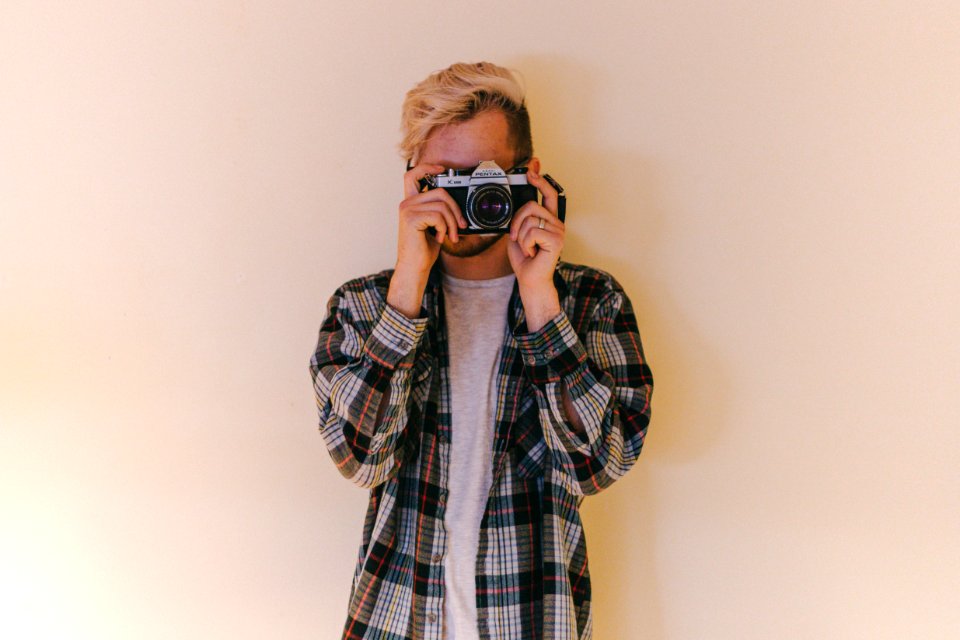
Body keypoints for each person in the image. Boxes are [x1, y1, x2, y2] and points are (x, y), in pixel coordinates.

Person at [309, 61, 653, 640]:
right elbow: (360, 459)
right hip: (395, 621)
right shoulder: (362, 306)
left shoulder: (591, 301)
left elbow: (598, 466)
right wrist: (407, 292)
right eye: (447, 180)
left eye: (485, 178)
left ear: (530, 177)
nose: (468, 202)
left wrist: (541, 297)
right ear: (413, 182)